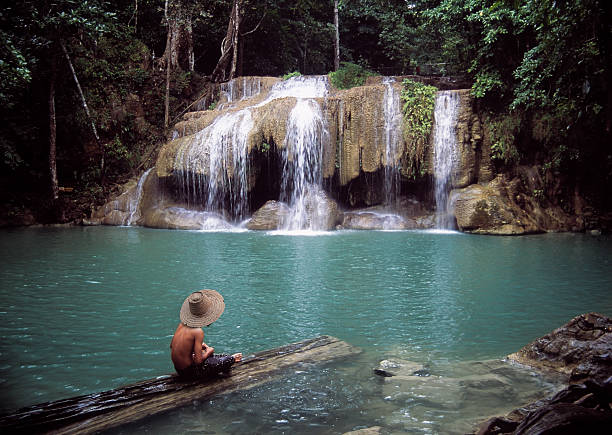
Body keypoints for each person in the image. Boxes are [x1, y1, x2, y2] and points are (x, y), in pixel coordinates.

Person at [170, 289, 242, 380]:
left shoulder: (182, 324)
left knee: (222, 356)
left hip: (179, 370)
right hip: (189, 373)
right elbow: (198, 361)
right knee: (227, 359)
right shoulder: (197, 331)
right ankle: (231, 359)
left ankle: (229, 358)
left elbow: (172, 346)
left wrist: (192, 350)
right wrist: (209, 350)